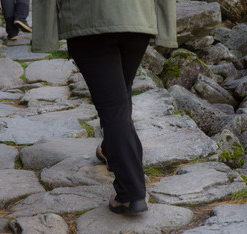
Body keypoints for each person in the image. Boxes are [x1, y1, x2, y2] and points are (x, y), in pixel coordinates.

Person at [32, 0, 177, 215]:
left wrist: (45, 35)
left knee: (113, 105)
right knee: (120, 93)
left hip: (88, 19)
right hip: (138, 17)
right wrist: (166, 30)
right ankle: (111, 149)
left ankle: (130, 193)